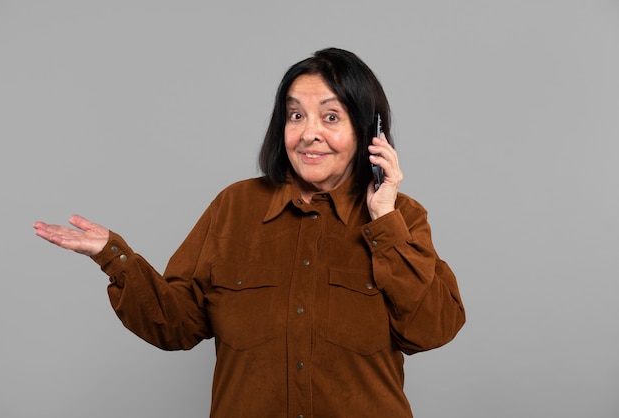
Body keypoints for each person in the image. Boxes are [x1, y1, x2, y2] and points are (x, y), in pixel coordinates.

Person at [34, 47, 465, 418]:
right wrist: (114, 255)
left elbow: (433, 330)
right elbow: (176, 324)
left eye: (331, 116)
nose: (309, 133)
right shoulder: (234, 207)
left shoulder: (401, 218)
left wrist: (384, 221)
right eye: (295, 115)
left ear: (370, 132)